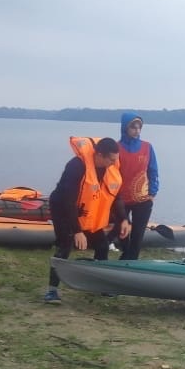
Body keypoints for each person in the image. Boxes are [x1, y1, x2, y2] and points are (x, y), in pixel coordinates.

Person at [43, 137, 130, 304]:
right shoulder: (76, 166)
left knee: (102, 246)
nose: (114, 163)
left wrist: (124, 219)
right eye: (111, 159)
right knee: (64, 246)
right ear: (99, 155)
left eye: (115, 159)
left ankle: (101, 285)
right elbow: (68, 201)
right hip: (63, 208)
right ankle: (52, 291)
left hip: (88, 209)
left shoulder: (110, 168)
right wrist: (77, 231)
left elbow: (116, 197)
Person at [113, 111, 159, 260]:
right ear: (125, 127)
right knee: (122, 233)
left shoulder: (147, 147)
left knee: (138, 235)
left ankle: (131, 262)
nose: (137, 130)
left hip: (143, 200)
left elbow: (153, 171)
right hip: (120, 200)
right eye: (133, 127)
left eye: (139, 127)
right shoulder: (116, 148)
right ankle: (126, 255)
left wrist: (152, 193)